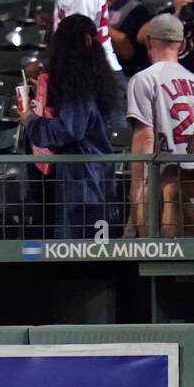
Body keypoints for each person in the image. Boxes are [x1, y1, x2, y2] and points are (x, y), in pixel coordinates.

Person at [20, 13, 119, 240]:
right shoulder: (92, 79)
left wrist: (30, 120)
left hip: (81, 180)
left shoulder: (78, 86)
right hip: (91, 176)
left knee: (76, 250)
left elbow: (69, 130)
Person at [125, 13, 194, 233]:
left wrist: (137, 198)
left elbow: (145, 137)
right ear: (182, 44)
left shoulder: (144, 78)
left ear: (148, 40)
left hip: (161, 188)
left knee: (159, 259)